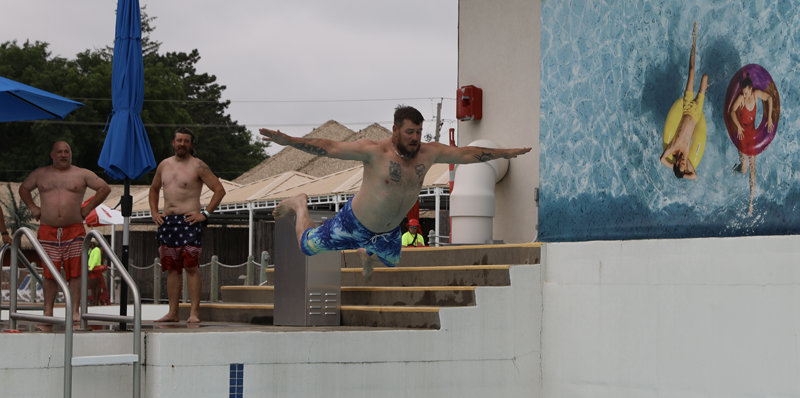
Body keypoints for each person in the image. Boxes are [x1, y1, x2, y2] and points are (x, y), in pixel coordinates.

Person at [260, 105, 531, 278]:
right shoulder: (374, 151)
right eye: (410, 132)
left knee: (391, 261)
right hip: (353, 224)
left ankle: (365, 253)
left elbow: (467, 153)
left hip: (389, 231)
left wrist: (505, 153)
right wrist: (289, 141)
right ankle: (299, 204)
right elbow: (329, 147)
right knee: (306, 246)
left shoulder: (429, 153)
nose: (416, 138)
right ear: (395, 130)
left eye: (419, 132)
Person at [19, 141, 110, 321]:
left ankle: (75, 311)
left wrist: (87, 209)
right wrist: (33, 208)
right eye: (59, 152)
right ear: (52, 155)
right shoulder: (41, 174)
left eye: (66, 152)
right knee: (49, 273)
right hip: (48, 230)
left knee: (75, 273)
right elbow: (24, 188)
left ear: (71, 154)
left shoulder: (81, 173)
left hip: (74, 230)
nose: (63, 155)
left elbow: (104, 188)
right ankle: (48, 312)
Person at [150, 127, 226, 323]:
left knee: (190, 266)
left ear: (192, 144)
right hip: (167, 222)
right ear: (173, 143)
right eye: (179, 140)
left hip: (189, 221)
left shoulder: (198, 165)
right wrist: (154, 212)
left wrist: (205, 214)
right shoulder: (164, 165)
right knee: (172, 269)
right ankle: (173, 313)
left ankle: (194, 313)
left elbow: (219, 190)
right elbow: (154, 189)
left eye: (186, 141)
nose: (182, 144)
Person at [661, 21, 708, 180]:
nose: (683, 163)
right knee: (705, 78)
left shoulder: (673, 148)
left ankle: (694, 37)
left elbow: (661, 160)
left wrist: (671, 166)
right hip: (696, 114)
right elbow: (694, 176)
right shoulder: (687, 156)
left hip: (687, 107)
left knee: (692, 71)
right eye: (683, 165)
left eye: (680, 164)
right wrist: (682, 172)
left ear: (675, 164)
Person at [729, 72, 774, 214]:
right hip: (742, 135)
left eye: (746, 92)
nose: (745, 95)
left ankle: (751, 202)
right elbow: (731, 112)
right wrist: (739, 126)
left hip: (752, 135)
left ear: (751, 89)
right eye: (743, 93)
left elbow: (769, 98)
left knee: (752, 168)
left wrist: (770, 117)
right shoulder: (741, 99)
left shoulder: (755, 94)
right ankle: (736, 168)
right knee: (744, 170)